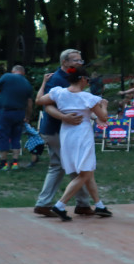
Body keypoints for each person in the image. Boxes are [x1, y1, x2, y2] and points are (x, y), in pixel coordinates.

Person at [36, 67, 112, 221]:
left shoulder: (58, 92)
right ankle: (60, 205)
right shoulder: (88, 97)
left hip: (66, 135)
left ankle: (99, 205)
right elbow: (103, 117)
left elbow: (39, 100)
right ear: (82, 79)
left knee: (87, 171)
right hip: (82, 136)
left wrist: (43, 83)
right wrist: (104, 104)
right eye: (87, 80)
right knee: (85, 172)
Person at [34, 49, 93, 218]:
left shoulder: (70, 78)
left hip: (65, 131)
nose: (79, 63)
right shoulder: (57, 79)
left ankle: (49, 203)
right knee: (76, 166)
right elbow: (47, 104)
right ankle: (78, 204)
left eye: (81, 61)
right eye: (76, 60)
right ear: (65, 62)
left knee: (62, 165)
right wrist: (64, 117)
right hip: (57, 130)